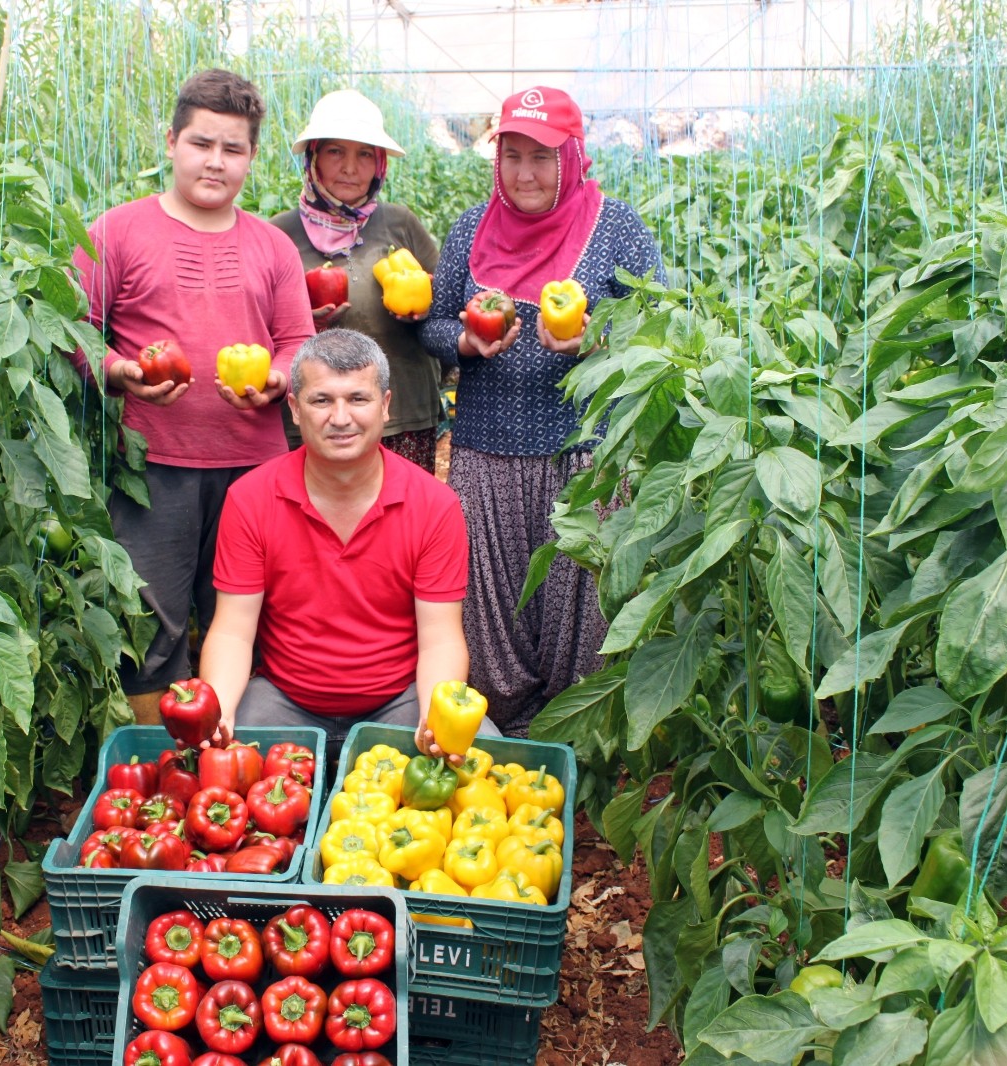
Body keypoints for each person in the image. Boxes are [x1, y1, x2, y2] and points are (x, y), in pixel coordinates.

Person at [66, 69, 314, 723]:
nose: (215, 162)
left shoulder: (272, 246)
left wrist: (278, 378)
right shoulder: (117, 232)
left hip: (255, 471)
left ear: (251, 156)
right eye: (202, 143)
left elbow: (297, 341)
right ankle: (156, 759)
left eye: (233, 148)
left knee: (251, 616)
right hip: (153, 468)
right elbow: (73, 331)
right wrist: (118, 371)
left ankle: (240, 755)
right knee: (152, 624)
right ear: (172, 142)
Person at [420, 86, 663, 736]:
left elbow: (659, 324)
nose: (524, 174)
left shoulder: (616, 227)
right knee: (490, 616)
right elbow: (432, 325)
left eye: (541, 157)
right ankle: (508, 747)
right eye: (512, 156)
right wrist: (465, 342)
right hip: (485, 453)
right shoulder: (472, 228)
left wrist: (596, 341)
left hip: (584, 455)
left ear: (573, 157)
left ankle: (573, 745)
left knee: (582, 613)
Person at [198, 329, 498, 758]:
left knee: (484, 757)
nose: (340, 418)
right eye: (321, 400)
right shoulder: (250, 498)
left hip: (400, 700)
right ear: (295, 409)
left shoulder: (434, 505)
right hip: (283, 699)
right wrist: (221, 712)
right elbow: (232, 631)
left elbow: (441, 638)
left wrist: (434, 719)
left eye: (358, 399)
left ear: (386, 406)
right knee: (213, 759)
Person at [269, 90, 445, 474]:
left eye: (364, 154)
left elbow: (445, 310)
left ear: (379, 163)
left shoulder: (401, 224)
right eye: (335, 152)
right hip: (316, 420)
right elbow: (259, 325)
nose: (350, 167)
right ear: (313, 157)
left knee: (399, 509)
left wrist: (423, 311)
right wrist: (303, 323)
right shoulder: (279, 234)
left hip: (401, 412)